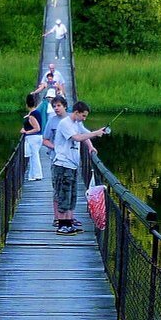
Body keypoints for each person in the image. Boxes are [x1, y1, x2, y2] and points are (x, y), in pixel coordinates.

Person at [52, 100, 108, 234]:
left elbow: (84, 134)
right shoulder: (65, 123)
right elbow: (77, 138)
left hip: (72, 165)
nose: (84, 118)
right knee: (64, 195)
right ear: (76, 112)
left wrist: (90, 147)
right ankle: (62, 225)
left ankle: (69, 222)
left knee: (72, 195)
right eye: (83, 116)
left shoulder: (77, 123)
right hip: (63, 164)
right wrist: (95, 133)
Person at [42, 96, 67, 224]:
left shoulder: (72, 120)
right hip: (56, 160)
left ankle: (68, 219)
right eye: (54, 106)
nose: (56, 108)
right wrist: (55, 147)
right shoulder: (51, 121)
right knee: (57, 189)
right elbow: (45, 140)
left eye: (58, 106)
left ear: (65, 106)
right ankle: (57, 218)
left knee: (68, 190)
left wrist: (90, 147)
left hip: (70, 161)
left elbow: (82, 135)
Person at [21, 92, 44, 182]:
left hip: (33, 138)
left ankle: (37, 175)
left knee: (34, 156)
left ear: (27, 104)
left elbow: (37, 128)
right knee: (33, 156)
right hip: (37, 138)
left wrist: (26, 132)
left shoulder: (32, 116)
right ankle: (32, 175)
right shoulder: (35, 112)